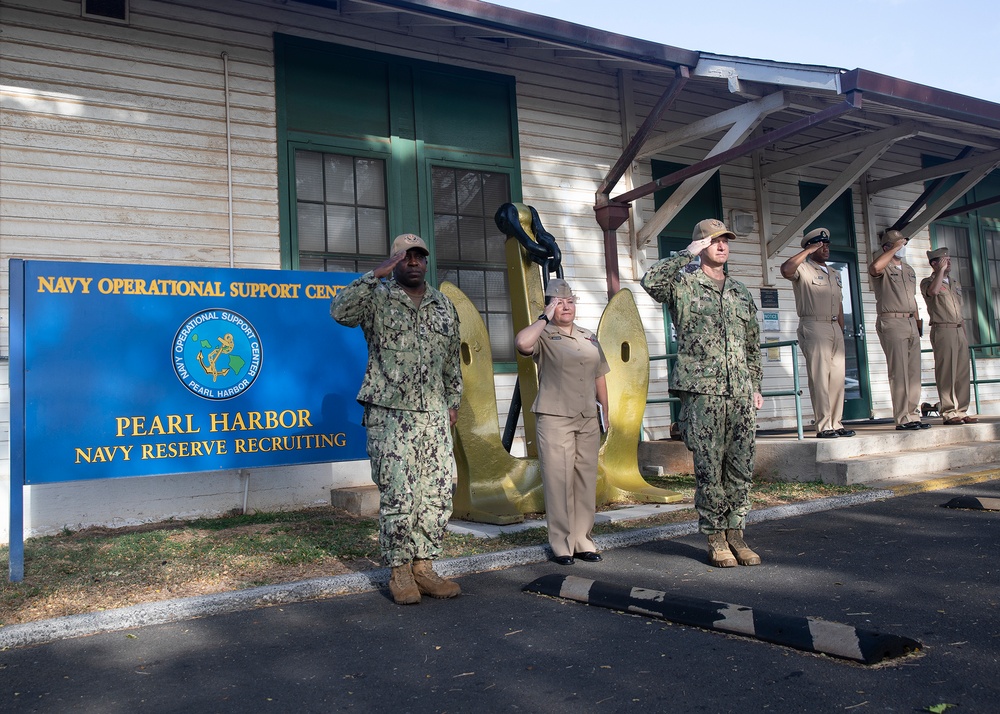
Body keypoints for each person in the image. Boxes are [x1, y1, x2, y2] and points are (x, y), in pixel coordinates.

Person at [331, 233, 464, 605]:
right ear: (394, 261)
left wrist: (452, 402)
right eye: (405, 256)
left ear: (426, 261)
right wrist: (375, 275)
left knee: (436, 494)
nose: (413, 262)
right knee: (399, 495)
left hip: (434, 414)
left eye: (419, 256)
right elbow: (340, 312)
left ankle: (424, 567)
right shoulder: (376, 298)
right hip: (390, 414)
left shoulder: (443, 305)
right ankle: (400, 571)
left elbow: (452, 359)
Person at [641, 218, 764, 568]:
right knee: (709, 467)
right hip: (701, 391)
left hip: (739, 391)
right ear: (700, 246)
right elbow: (651, 281)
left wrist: (755, 386)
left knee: (740, 467)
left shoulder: (740, 291)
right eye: (713, 241)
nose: (722, 246)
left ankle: (736, 533)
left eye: (726, 240)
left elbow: (752, 344)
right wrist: (685, 255)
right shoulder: (683, 283)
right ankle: (715, 537)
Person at [514, 278, 610, 566]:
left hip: (586, 417)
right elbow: (522, 343)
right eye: (558, 302)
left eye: (569, 301)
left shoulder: (588, 336)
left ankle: (583, 541)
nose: (565, 306)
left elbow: (599, 374)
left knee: (584, 479)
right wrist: (544, 316)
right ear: (549, 305)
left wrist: (606, 409)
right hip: (555, 418)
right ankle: (562, 545)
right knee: (558, 481)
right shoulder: (543, 334)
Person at [779, 228, 855, 438]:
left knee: (838, 378)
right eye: (821, 246)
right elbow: (786, 270)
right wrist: (808, 251)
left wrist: (841, 329)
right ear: (811, 248)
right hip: (814, 325)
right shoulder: (803, 269)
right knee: (820, 378)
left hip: (834, 328)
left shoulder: (835, 274)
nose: (826, 249)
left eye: (827, 246)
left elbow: (838, 304)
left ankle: (836, 422)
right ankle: (824, 425)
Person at [869, 229, 930, 430]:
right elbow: (875, 267)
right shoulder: (883, 266)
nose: (902, 248)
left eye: (903, 244)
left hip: (910, 321)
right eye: (897, 244)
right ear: (887, 247)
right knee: (899, 371)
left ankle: (913, 415)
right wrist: (893, 249)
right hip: (892, 321)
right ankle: (902, 417)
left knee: (913, 372)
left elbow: (912, 298)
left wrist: (917, 321)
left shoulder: (909, 270)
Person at [920, 247, 977, 425]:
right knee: (947, 371)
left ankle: (962, 409)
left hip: (959, 329)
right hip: (943, 329)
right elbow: (934, 292)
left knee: (962, 372)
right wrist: (941, 271)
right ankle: (949, 411)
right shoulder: (928, 282)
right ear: (934, 263)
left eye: (949, 260)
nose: (949, 262)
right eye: (944, 260)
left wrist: (965, 336)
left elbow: (960, 311)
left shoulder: (954, 283)